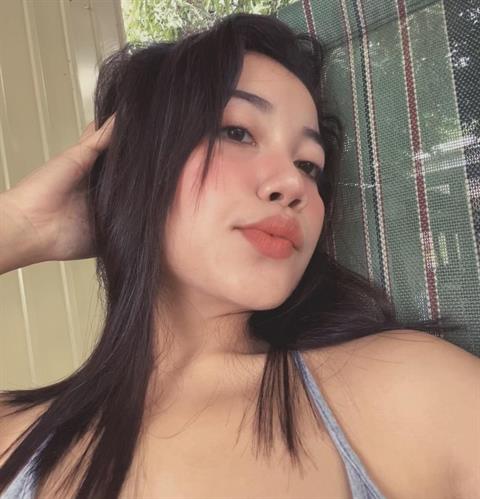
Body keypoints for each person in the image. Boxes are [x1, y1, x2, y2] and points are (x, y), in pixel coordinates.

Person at [0, 12, 478, 499]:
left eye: (309, 165)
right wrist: (20, 226)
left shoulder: (407, 392)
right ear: (140, 165)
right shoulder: (15, 434)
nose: (292, 183)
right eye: (238, 133)